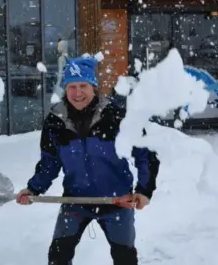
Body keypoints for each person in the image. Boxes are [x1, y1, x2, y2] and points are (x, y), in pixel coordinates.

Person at [16, 56, 160, 265]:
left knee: (125, 258)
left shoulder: (116, 116)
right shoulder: (56, 121)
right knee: (58, 257)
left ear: (94, 86)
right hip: (75, 201)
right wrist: (33, 189)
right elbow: (50, 163)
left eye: (83, 85)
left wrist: (144, 190)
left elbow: (145, 154)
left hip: (117, 201)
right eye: (72, 86)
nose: (77, 93)